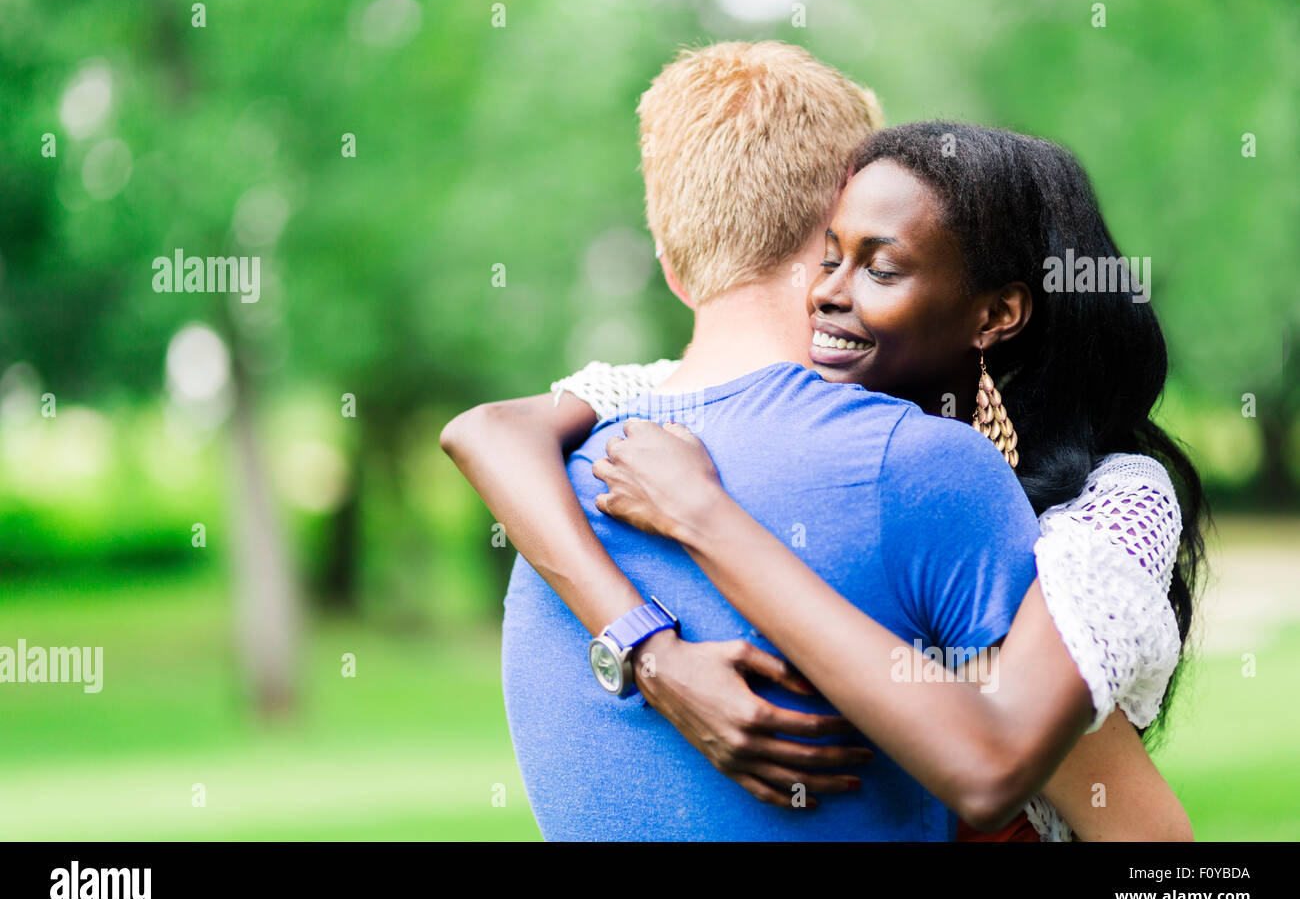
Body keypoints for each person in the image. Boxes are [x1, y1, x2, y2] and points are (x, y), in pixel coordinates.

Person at [442, 47, 1196, 840]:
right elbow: (1146, 841)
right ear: (827, 229)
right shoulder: (931, 473)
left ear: (672, 267)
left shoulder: (570, 478)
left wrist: (658, 617)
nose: (841, 289)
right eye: (839, 256)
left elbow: (487, 428)